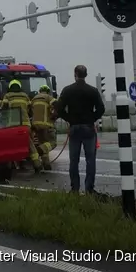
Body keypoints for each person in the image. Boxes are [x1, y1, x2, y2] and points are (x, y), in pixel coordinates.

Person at [55, 65, 105, 194]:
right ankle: (89, 188)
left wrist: (69, 119)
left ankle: (74, 189)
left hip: (74, 128)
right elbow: (101, 109)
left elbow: (59, 108)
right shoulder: (93, 91)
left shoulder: (67, 90)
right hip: (88, 128)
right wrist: (92, 118)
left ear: (75, 74)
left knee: (74, 160)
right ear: (86, 75)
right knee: (90, 160)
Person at [1, 79, 41, 172]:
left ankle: (10, 166)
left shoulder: (7, 96)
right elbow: (31, 110)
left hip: (13, 125)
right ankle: (37, 164)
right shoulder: (25, 96)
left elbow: (3, 110)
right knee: (30, 145)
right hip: (26, 124)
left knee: (11, 145)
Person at [30, 85, 57, 170]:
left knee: (43, 142)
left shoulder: (33, 99)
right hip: (46, 125)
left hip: (35, 125)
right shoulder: (48, 97)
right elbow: (57, 105)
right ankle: (39, 150)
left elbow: (30, 112)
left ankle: (46, 164)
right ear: (48, 91)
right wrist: (54, 116)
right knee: (52, 143)